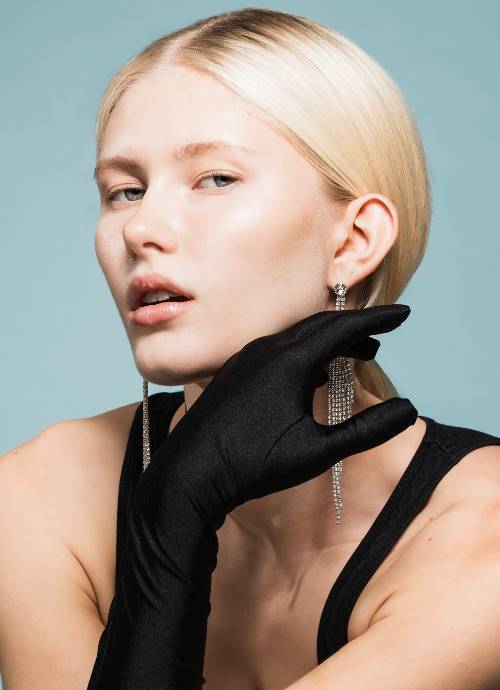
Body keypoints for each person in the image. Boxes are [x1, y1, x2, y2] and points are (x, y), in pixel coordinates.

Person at [1, 7, 500, 689]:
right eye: (125, 190)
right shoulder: (41, 493)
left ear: (354, 240)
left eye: (216, 179)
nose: (141, 228)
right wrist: (174, 509)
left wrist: (175, 507)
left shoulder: (483, 529)